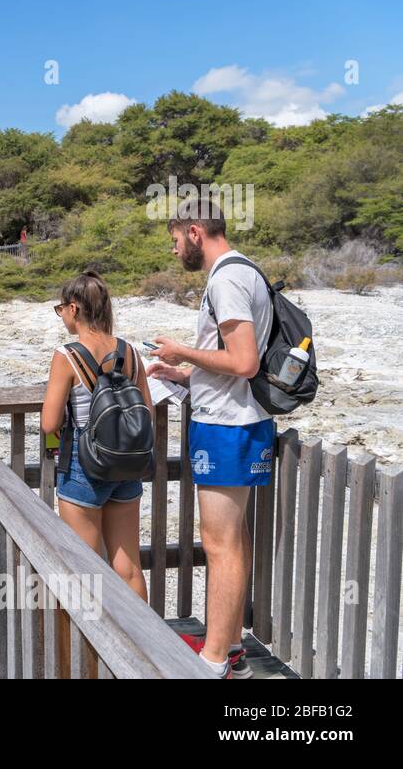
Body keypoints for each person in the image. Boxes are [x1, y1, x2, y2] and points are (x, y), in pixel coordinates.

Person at [147, 198, 273, 679]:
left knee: (219, 545)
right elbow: (232, 365)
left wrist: (182, 350)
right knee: (233, 541)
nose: (175, 250)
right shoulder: (245, 272)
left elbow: (244, 363)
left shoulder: (226, 279)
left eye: (176, 239)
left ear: (196, 231)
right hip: (238, 419)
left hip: (226, 426)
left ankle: (213, 662)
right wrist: (182, 372)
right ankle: (232, 646)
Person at [40, 270, 150, 602]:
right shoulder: (129, 352)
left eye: (61, 309)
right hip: (125, 465)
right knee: (129, 568)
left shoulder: (67, 355)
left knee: (84, 571)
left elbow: (49, 423)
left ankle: (89, 653)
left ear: (73, 309)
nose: (61, 316)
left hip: (83, 467)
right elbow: (146, 409)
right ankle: (142, 648)